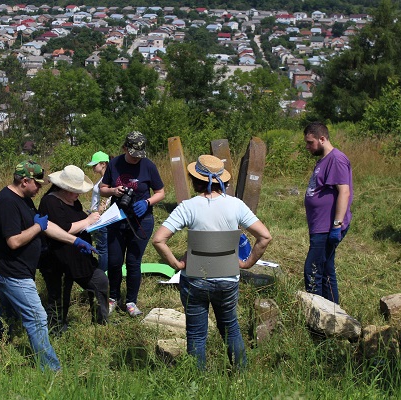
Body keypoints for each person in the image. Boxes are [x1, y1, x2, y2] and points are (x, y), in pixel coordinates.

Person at [152, 155, 272, 370]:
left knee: (196, 334)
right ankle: (240, 374)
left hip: (196, 280)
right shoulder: (236, 205)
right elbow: (265, 237)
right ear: (222, 180)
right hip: (228, 280)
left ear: (195, 180)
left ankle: (198, 380)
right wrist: (247, 263)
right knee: (231, 328)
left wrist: (177, 265)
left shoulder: (187, 207)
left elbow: (158, 240)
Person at [0, 160, 90, 372]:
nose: (41, 188)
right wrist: (37, 227)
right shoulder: (7, 204)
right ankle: (52, 370)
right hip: (12, 272)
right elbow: (14, 241)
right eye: (38, 184)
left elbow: (46, 225)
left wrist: (74, 241)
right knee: (37, 317)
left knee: (8, 313)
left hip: (18, 269)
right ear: (25, 181)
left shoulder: (24, 199)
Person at [99, 131, 165, 317]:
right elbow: (102, 189)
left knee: (134, 262)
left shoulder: (149, 166)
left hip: (142, 220)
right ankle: (113, 297)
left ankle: (131, 301)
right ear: (125, 148)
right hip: (117, 219)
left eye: (140, 156)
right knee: (114, 261)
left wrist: (147, 203)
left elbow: (160, 192)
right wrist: (114, 190)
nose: (137, 159)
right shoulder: (114, 164)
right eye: (133, 155)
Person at [38, 165, 109, 332]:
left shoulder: (73, 201)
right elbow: (60, 229)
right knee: (59, 297)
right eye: (76, 190)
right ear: (64, 188)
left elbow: (82, 220)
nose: (79, 194)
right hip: (58, 260)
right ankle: (56, 329)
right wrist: (87, 222)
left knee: (100, 282)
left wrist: (96, 218)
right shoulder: (50, 202)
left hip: (80, 257)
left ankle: (101, 321)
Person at [303, 122, 353, 304]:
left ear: (322, 139)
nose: (308, 147)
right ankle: (333, 314)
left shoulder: (336, 159)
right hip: (320, 225)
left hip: (327, 227)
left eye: (310, 142)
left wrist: (336, 225)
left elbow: (344, 192)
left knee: (313, 270)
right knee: (325, 269)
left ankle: (317, 315)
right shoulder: (325, 160)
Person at [87, 151, 110, 273]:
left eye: (95, 164)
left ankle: (101, 273)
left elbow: (104, 200)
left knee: (102, 248)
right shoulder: (103, 178)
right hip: (98, 216)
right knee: (103, 247)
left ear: (103, 164)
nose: (92, 167)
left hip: (101, 218)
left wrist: (97, 215)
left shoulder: (106, 179)